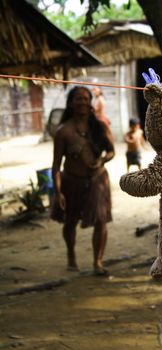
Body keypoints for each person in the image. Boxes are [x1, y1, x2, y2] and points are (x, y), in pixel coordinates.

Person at [51, 86, 115, 276]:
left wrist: (102, 160)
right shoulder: (63, 131)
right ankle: (71, 256)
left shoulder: (100, 126)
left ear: (90, 103)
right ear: (70, 103)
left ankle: (97, 262)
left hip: (98, 180)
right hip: (72, 181)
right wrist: (58, 191)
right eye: (78, 99)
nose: (82, 102)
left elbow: (111, 151)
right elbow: (56, 165)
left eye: (85, 99)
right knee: (70, 222)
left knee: (101, 221)